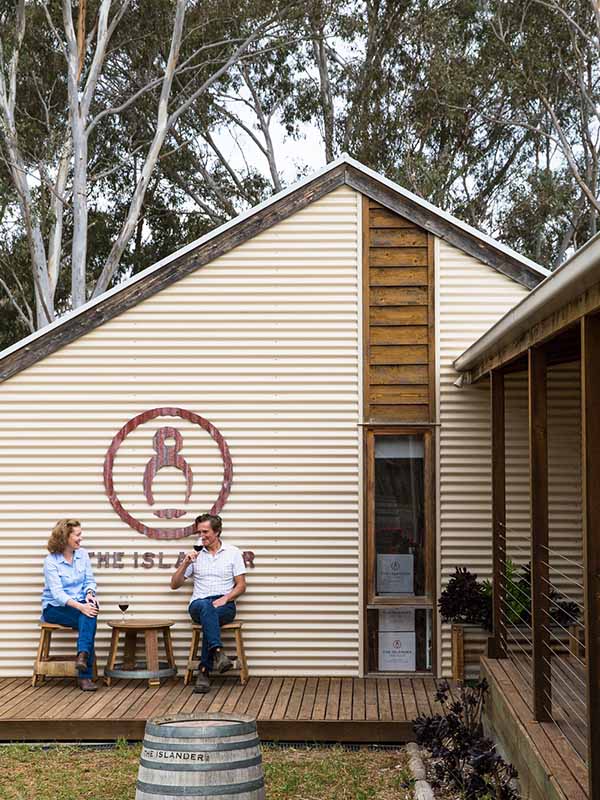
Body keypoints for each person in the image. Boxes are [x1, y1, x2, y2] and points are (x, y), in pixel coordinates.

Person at [171, 513, 246, 693]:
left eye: (205, 532)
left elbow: (241, 586)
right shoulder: (195, 555)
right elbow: (174, 584)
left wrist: (226, 598)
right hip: (199, 603)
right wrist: (185, 563)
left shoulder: (233, 553)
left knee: (209, 617)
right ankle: (217, 653)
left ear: (217, 531)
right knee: (206, 608)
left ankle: (204, 671)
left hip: (224, 605)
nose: (201, 536)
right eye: (199, 532)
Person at [41, 519, 99, 691]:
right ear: (65, 537)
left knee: (90, 613)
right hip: (55, 608)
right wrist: (82, 607)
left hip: (79, 605)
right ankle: (84, 674)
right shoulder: (51, 561)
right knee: (88, 615)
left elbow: (90, 580)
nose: (81, 538)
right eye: (78, 534)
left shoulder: (83, 555)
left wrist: (89, 594)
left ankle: (82, 656)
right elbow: (58, 595)